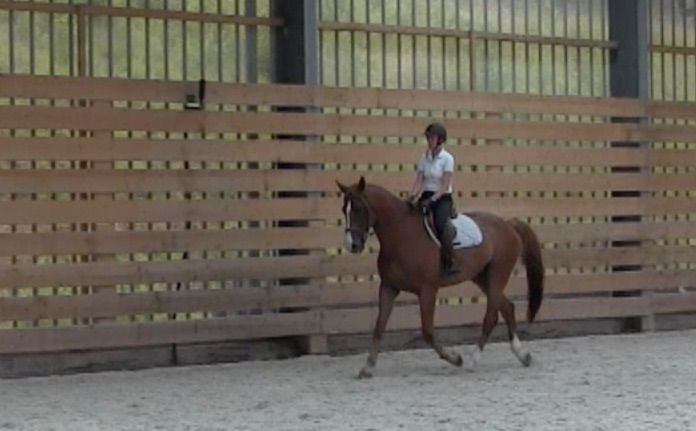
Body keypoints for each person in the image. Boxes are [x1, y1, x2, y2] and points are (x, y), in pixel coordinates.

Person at [409, 122, 461, 276]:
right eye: (428, 138)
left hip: (442, 197)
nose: (429, 141)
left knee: (440, 224)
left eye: (432, 138)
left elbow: (445, 185)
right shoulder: (424, 157)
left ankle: (450, 261)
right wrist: (412, 195)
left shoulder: (447, 159)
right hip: (426, 194)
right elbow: (419, 179)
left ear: (440, 140)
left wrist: (432, 200)